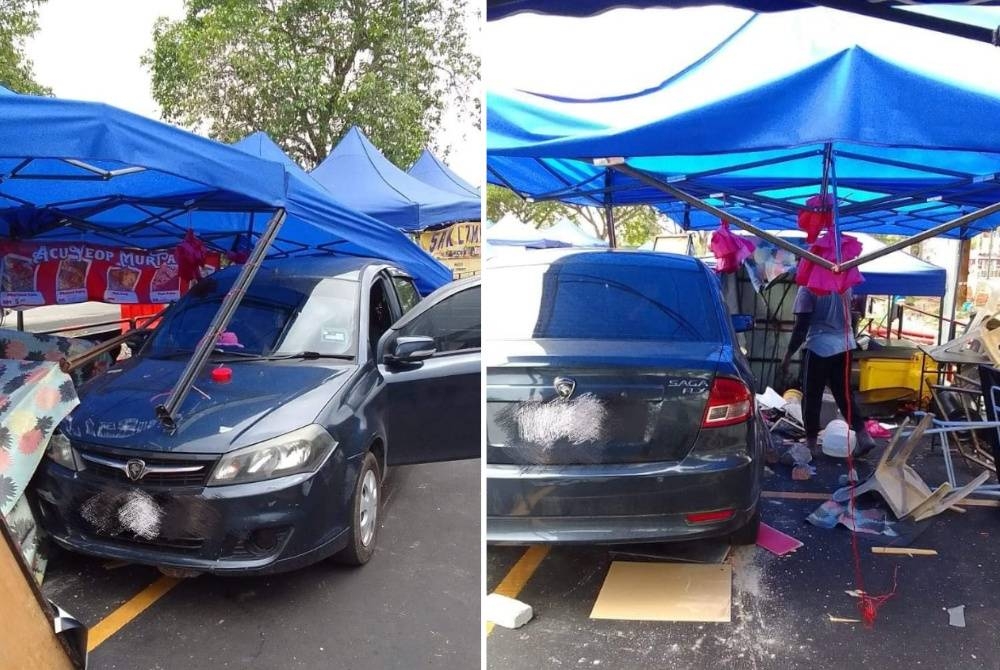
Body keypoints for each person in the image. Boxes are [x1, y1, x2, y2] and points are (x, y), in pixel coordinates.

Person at [780, 286, 876, 457]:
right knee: (844, 395)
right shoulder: (844, 285)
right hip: (845, 346)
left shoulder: (807, 288)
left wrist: (787, 355)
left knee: (812, 397)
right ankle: (863, 436)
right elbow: (853, 316)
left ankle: (811, 444)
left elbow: (801, 327)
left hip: (818, 348)